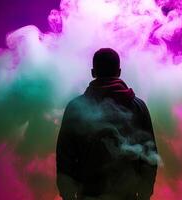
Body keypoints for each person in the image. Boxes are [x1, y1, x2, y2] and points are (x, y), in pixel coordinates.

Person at [56, 48, 158, 200]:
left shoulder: (75, 107)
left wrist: (68, 194)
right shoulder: (138, 106)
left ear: (93, 72)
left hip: (88, 195)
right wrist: (144, 193)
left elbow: (65, 156)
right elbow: (149, 154)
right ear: (119, 71)